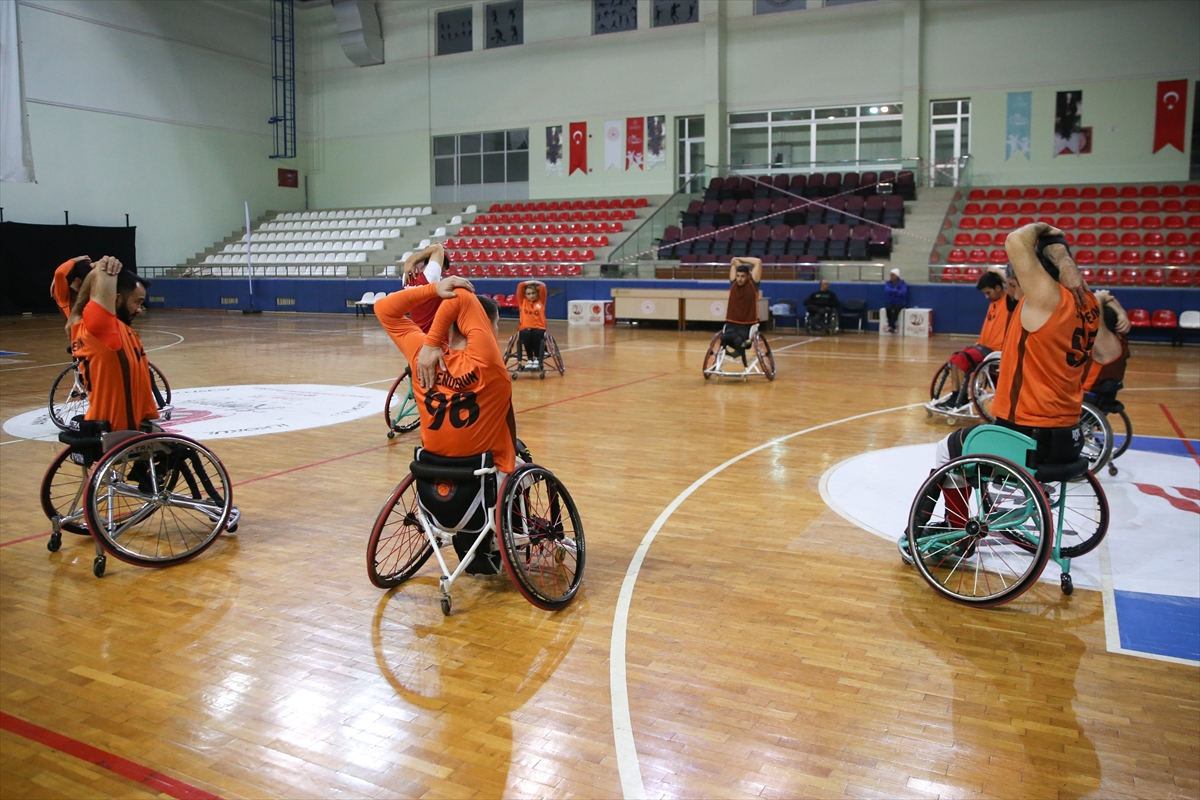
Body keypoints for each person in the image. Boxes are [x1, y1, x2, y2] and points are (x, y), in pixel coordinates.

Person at [901, 222, 1121, 557]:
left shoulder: (1047, 300)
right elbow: (1108, 353)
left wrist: (1047, 230)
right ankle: (959, 522)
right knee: (970, 444)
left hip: (1027, 431)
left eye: (1015, 286)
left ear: (1026, 280)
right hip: (1067, 435)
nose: (1013, 293)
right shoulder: (1085, 302)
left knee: (948, 451)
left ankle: (957, 533)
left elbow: (1016, 239)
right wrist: (1086, 288)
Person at [373, 275, 517, 476]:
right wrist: (432, 342)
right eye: (496, 323)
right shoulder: (486, 360)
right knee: (521, 455)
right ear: (485, 325)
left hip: (432, 468)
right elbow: (461, 294)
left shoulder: (420, 356)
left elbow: (382, 308)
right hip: (482, 469)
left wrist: (434, 289)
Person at [65, 257, 158, 432]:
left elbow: (74, 316)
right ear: (115, 300)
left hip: (118, 424)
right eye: (137, 302)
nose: (140, 309)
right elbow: (104, 272)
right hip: (123, 427)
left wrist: (91, 275)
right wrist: (103, 264)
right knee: (182, 453)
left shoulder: (79, 327)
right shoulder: (104, 328)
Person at [937, 269, 1017, 407]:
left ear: (998, 288)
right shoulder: (994, 303)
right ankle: (956, 396)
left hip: (995, 350)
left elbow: (1011, 283)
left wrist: (996, 271)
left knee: (961, 358)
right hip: (983, 347)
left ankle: (960, 398)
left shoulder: (1009, 301)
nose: (986, 296)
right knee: (955, 359)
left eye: (988, 292)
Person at [1082, 290, 1132, 409]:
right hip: (1085, 396)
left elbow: (1095, 311)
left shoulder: (1106, 343)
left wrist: (1099, 298)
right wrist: (1121, 312)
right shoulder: (1117, 339)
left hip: (1083, 398)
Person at [401, 243, 446, 333]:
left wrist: (411, 261)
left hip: (417, 336)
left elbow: (409, 260)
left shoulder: (406, 278)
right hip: (434, 337)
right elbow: (438, 248)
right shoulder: (431, 278)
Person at [723, 257, 763, 355]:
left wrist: (739, 258)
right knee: (724, 337)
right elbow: (733, 263)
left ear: (748, 276)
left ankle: (739, 351)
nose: (739, 279)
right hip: (732, 322)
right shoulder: (733, 283)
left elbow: (758, 262)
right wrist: (735, 261)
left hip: (747, 325)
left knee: (739, 341)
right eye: (738, 276)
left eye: (742, 276)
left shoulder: (753, 284)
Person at [515, 279, 548, 369]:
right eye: (529, 294)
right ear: (525, 295)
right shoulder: (522, 302)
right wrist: (532, 281)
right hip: (525, 328)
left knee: (536, 334)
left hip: (539, 327)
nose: (531, 296)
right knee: (526, 334)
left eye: (533, 293)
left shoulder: (541, 301)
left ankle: (537, 358)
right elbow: (520, 285)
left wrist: (537, 283)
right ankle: (530, 359)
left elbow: (543, 287)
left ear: (537, 293)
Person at [52, 256, 94, 322]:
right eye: (87, 281)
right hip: (78, 330)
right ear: (78, 280)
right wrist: (75, 260)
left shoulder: (88, 293)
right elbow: (59, 273)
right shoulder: (64, 296)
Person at [883, 268, 907, 333]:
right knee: (888, 308)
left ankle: (891, 325)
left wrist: (892, 292)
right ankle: (892, 326)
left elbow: (903, 293)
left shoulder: (902, 283)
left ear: (897, 276)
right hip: (891, 301)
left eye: (893, 275)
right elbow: (887, 291)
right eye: (890, 275)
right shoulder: (888, 283)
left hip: (900, 302)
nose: (891, 277)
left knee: (897, 309)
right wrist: (897, 291)